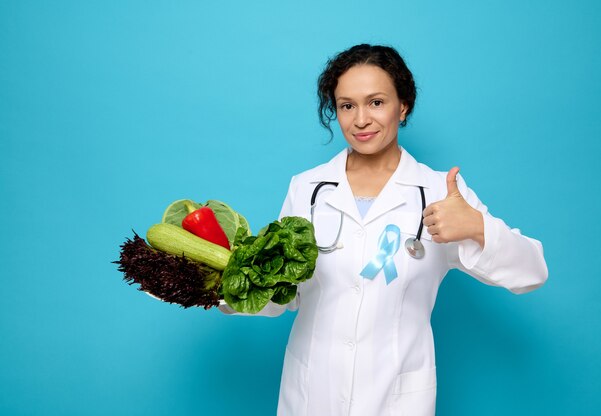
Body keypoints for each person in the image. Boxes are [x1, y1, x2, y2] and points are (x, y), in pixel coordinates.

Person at [220, 44, 548, 416]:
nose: (360, 119)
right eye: (347, 105)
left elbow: (532, 272)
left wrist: (476, 227)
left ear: (403, 106)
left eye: (376, 102)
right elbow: (285, 296)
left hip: (397, 400)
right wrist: (222, 286)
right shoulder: (308, 189)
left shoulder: (440, 192)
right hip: (313, 396)